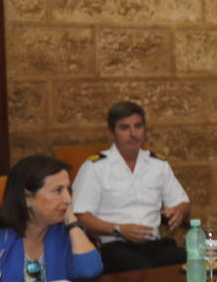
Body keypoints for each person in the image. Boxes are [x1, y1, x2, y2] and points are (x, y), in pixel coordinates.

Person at [71, 101, 190, 272]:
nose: (134, 134)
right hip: (114, 245)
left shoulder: (158, 164)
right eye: (125, 128)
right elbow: (80, 215)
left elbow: (183, 203)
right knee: (140, 270)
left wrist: (180, 210)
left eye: (138, 126)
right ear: (112, 133)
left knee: (188, 263)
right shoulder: (95, 167)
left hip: (154, 245)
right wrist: (118, 229)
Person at [0, 154, 102, 282]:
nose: (68, 199)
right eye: (58, 190)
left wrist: (72, 222)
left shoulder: (66, 235)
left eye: (68, 190)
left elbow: (90, 271)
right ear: (27, 198)